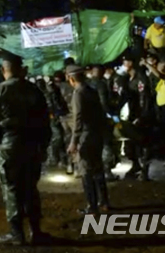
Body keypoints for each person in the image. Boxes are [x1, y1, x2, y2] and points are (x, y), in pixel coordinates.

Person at [0, 55, 51, 246]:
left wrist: (1, 120)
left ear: (4, 70)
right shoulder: (33, 90)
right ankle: (36, 231)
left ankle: (16, 233)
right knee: (30, 188)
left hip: (9, 145)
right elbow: (45, 121)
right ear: (21, 69)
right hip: (32, 145)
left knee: (12, 188)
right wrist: (44, 146)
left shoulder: (1, 89)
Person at [66, 64, 110, 214]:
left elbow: (78, 118)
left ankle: (92, 206)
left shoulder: (78, 93)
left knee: (86, 171)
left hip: (86, 135)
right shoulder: (92, 90)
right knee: (98, 169)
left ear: (71, 79)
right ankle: (104, 202)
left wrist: (74, 141)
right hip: (96, 134)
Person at [118, 55, 154, 181]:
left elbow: (145, 98)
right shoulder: (127, 79)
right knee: (131, 143)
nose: (124, 63)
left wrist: (142, 116)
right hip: (130, 115)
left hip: (141, 116)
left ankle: (144, 170)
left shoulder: (140, 79)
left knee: (143, 143)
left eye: (126, 60)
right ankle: (136, 166)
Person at [141, 58, 165, 163]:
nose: (158, 68)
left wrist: (147, 64)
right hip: (161, 106)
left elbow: (159, 75)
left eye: (160, 67)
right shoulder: (160, 78)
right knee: (164, 132)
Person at [59, 57, 77, 175]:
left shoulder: (62, 85)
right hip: (73, 116)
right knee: (75, 141)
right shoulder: (76, 83)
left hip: (66, 116)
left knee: (68, 140)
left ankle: (70, 165)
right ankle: (74, 166)